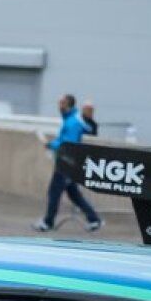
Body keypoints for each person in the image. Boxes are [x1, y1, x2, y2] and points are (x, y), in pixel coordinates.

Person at [34, 93, 102, 233]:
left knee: (54, 192)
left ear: (69, 105)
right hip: (68, 163)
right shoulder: (71, 119)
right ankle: (94, 219)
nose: (59, 105)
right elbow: (63, 140)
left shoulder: (72, 122)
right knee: (73, 194)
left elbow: (68, 143)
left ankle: (48, 223)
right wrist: (52, 144)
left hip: (67, 163)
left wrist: (51, 145)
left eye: (62, 103)